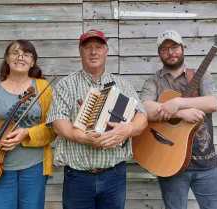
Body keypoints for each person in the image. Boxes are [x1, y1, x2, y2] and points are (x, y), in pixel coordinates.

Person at [46, 29, 147, 209]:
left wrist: (128, 129)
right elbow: (58, 123)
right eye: (88, 48)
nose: (93, 52)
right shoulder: (65, 85)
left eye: (98, 47)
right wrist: (83, 137)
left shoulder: (122, 85)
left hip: (114, 175)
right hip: (78, 177)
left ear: (106, 51)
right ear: (80, 52)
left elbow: (142, 116)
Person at [0, 39, 56, 209]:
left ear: (32, 61)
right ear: (7, 59)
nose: (20, 57)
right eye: (15, 53)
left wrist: (27, 133)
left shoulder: (43, 87)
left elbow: (53, 127)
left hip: (34, 168)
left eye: (26, 54)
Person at [140, 30, 217, 209]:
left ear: (183, 48)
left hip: (206, 162)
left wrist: (177, 103)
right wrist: (179, 114)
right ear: (159, 53)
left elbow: (212, 102)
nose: (170, 52)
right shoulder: (153, 81)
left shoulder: (201, 76)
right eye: (165, 49)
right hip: (170, 161)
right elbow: (144, 108)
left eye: (174, 47)